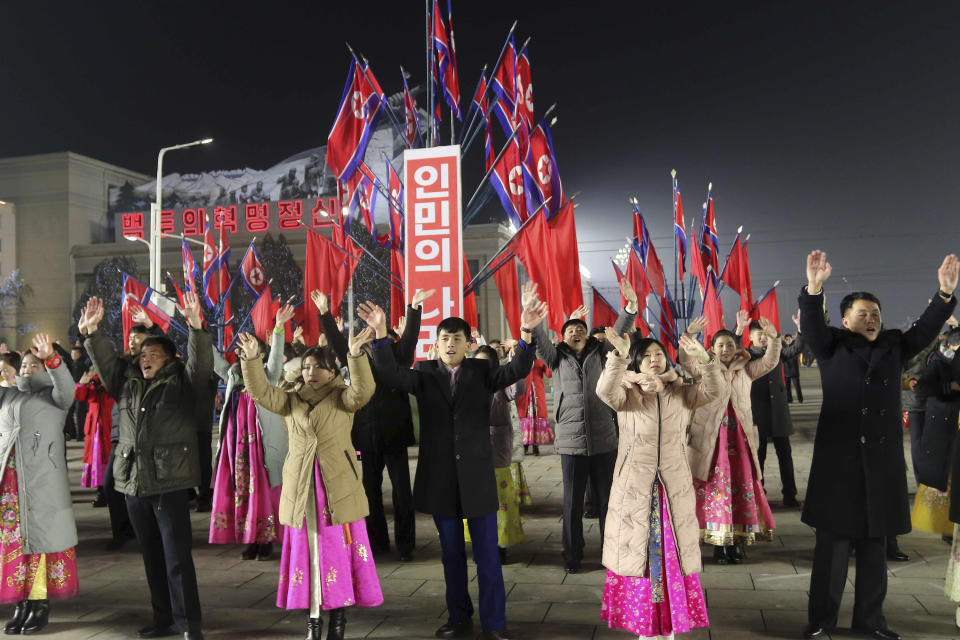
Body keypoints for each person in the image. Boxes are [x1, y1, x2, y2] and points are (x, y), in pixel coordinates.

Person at [367, 283, 549, 640]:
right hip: (440, 482)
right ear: (436, 345)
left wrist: (527, 331)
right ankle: (459, 617)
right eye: (444, 339)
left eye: (456, 338)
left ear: (469, 344)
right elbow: (389, 374)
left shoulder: (482, 374)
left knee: (488, 559)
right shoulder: (424, 376)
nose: (450, 344)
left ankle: (495, 623)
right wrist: (379, 336)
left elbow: (518, 370)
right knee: (451, 557)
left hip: (478, 480)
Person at [800, 250, 958, 640]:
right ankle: (822, 621)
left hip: (881, 465)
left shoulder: (894, 347)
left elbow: (923, 331)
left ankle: (871, 621)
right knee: (832, 551)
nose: (871, 318)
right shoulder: (830, 346)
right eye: (862, 313)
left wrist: (944, 293)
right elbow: (813, 328)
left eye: (875, 313)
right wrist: (814, 288)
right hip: (839, 464)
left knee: (874, 549)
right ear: (845, 319)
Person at [237, 325, 381, 640]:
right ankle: (313, 623)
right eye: (306, 366)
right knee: (307, 555)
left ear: (332, 371)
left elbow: (364, 390)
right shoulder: (291, 399)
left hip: (336, 490)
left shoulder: (344, 397)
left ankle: (338, 623)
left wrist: (355, 356)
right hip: (302, 489)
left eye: (318, 366)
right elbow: (261, 393)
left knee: (337, 555)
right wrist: (251, 361)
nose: (311, 371)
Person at [83, 293, 211, 640]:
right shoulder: (128, 384)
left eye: (152, 354)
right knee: (152, 559)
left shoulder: (182, 384)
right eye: (141, 355)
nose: (145, 359)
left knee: (176, 560)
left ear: (170, 359)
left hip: (168, 484)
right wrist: (93, 334)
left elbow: (200, 367)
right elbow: (109, 365)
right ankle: (163, 618)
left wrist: (196, 326)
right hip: (133, 485)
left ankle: (189, 625)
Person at [597, 328, 718, 638]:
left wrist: (706, 361)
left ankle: (670, 626)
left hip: (673, 488)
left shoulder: (681, 391)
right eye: (647, 355)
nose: (654, 359)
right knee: (640, 559)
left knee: (671, 557)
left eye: (659, 355)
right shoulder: (627, 392)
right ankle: (645, 626)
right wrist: (620, 357)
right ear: (637, 362)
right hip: (636, 488)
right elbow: (604, 391)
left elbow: (713, 391)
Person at [314, 289, 427, 563]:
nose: (371, 339)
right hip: (366, 435)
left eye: (377, 335)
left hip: (395, 434)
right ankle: (377, 543)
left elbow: (409, 340)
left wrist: (413, 309)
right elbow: (339, 344)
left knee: (402, 493)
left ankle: (405, 544)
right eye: (367, 337)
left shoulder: (397, 356)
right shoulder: (356, 359)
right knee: (369, 492)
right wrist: (324, 313)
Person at [534, 280, 636, 573]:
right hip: (570, 442)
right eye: (569, 330)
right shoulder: (556, 358)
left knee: (607, 502)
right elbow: (539, 341)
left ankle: (610, 552)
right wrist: (536, 321)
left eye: (580, 329)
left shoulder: (602, 352)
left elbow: (621, 331)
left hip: (604, 439)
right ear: (562, 337)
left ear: (587, 334)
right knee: (572, 505)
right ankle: (572, 555)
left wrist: (629, 308)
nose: (575, 332)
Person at [683, 316, 780, 564]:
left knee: (740, 490)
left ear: (736, 347)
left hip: (740, 442)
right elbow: (685, 359)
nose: (725, 350)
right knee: (716, 491)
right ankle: (718, 545)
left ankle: (737, 542)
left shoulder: (746, 369)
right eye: (720, 346)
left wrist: (774, 339)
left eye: (729, 345)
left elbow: (770, 361)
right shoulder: (704, 368)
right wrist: (689, 334)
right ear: (712, 349)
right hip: (711, 443)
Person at [0, 335, 79, 635]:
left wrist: (52, 359)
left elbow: (67, 387)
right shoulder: (7, 396)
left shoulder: (54, 397)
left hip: (40, 487)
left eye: (35, 365)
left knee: (40, 548)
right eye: (23, 364)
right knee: (15, 549)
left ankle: (39, 605)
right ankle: (20, 604)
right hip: (9, 489)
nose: (26, 369)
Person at [209, 306, 292, 561]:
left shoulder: (268, 375)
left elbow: (277, 358)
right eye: (241, 347)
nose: (244, 350)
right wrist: (198, 330)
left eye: (250, 346)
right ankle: (251, 540)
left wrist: (278, 328)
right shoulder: (234, 374)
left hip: (261, 447)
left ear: (261, 352)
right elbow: (213, 361)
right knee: (242, 495)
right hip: (236, 447)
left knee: (263, 493)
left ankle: (265, 540)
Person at [470, 345, 526, 564]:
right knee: (475, 502)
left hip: (497, 450)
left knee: (499, 501)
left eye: (487, 362)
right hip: (472, 451)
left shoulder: (501, 382)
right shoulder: (465, 381)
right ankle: (478, 544)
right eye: (478, 362)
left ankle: (500, 545)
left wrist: (515, 367)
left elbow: (517, 389)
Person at [742, 315, 804, 508]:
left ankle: (790, 495)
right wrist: (738, 331)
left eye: (765, 335)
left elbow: (795, 349)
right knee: (757, 457)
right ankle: (759, 495)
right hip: (756, 413)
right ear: (750, 337)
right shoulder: (745, 355)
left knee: (785, 455)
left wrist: (800, 331)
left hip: (778, 413)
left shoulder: (777, 353)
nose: (762, 338)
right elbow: (730, 354)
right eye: (758, 335)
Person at [910, 329, 960, 542]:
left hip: (953, 423)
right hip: (942, 426)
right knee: (946, 480)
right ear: (950, 346)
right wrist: (950, 386)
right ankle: (947, 529)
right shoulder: (938, 362)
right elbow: (921, 388)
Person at [75, 370, 114, 507]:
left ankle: (110, 493)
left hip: (110, 425)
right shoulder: (91, 377)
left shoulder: (114, 376)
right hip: (95, 427)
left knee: (110, 460)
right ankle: (101, 492)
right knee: (97, 462)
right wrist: (82, 384)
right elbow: (80, 397)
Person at [518, 357, 552, 456]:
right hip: (524, 394)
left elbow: (549, 374)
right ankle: (525, 445)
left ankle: (535, 446)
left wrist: (547, 360)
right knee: (525, 419)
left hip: (537, 394)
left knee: (536, 419)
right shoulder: (521, 358)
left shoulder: (540, 360)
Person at [783, 332, 804, 403]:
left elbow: (796, 355)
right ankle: (789, 400)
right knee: (787, 388)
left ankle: (800, 399)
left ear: (792, 339)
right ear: (785, 340)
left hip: (794, 371)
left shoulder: (795, 347)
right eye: (786, 339)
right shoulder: (783, 348)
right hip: (786, 371)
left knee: (797, 387)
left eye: (789, 339)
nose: (788, 340)